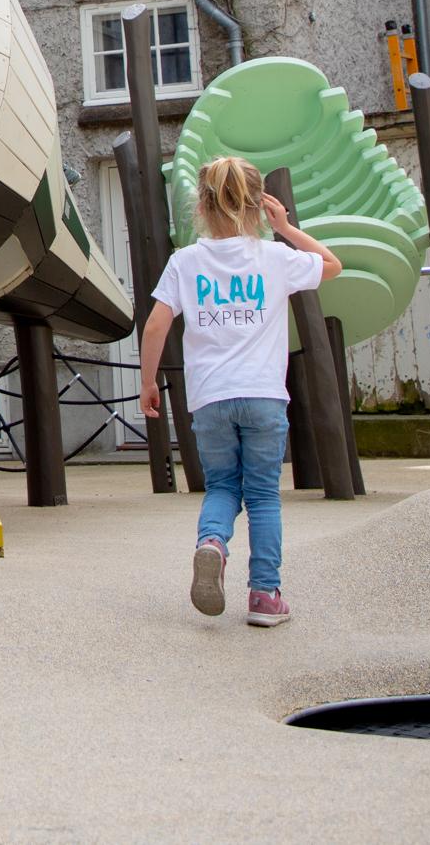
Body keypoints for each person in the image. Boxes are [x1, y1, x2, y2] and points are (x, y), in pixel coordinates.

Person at [136, 157, 341, 628]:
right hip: (265, 396)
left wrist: (149, 382)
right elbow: (332, 265)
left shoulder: (185, 262)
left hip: (210, 397)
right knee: (264, 495)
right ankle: (265, 596)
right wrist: (286, 228)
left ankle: (211, 543)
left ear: (202, 207)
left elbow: (156, 324)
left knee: (223, 486)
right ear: (257, 207)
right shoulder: (274, 258)